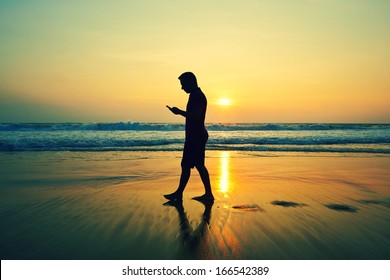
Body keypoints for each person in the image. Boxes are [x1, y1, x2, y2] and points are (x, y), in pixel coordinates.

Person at [164, 72, 214, 201]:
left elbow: (196, 116)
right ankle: (186, 193)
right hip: (196, 135)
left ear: (191, 82)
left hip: (196, 136)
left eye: (183, 84)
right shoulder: (196, 95)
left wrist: (179, 112)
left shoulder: (197, 96)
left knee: (190, 165)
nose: (182, 88)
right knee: (193, 165)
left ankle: (185, 194)